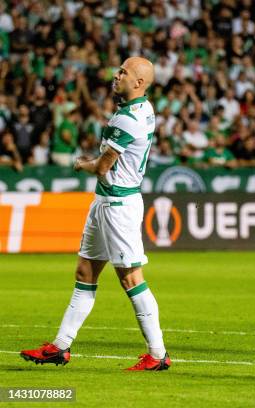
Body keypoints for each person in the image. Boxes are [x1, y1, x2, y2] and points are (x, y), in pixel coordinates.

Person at [21, 57, 170, 371]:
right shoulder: (144, 109)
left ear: (139, 83)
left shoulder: (127, 118)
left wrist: (81, 163)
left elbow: (103, 166)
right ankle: (60, 347)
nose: (116, 75)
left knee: (131, 279)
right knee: (85, 274)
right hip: (106, 202)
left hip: (118, 206)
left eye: (123, 72)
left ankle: (157, 354)